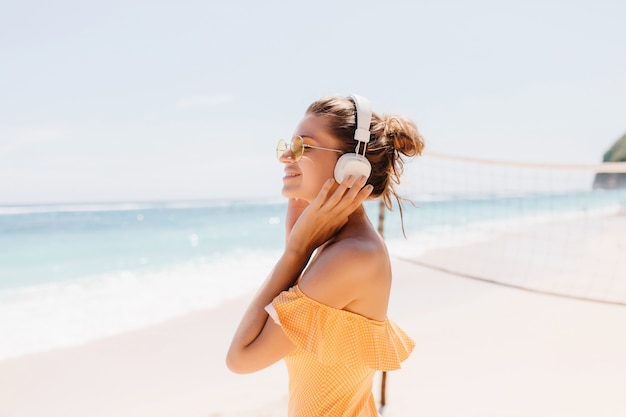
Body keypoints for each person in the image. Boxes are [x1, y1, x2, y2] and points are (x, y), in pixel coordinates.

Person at [226, 94, 424, 416]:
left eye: (303, 147)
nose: (285, 157)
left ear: (351, 166)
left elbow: (241, 357)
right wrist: (299, 235)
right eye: (287, 146)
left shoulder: (351, 258)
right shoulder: (340, 246)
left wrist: (296, 251)